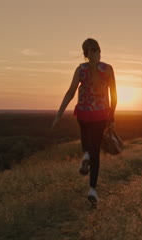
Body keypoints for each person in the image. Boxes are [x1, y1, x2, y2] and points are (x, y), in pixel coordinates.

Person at [51, 38, 117, 207]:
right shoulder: (108, 69)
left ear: (85, 54)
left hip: (83, 113)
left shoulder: (81, 69)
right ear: (99, 51)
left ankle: (85, 155)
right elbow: (114, 97)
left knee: (86, 141)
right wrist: (112, 117)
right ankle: (92, 190)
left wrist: (59, 114)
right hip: (101, 114)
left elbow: (70, 92)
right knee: (96, 152)